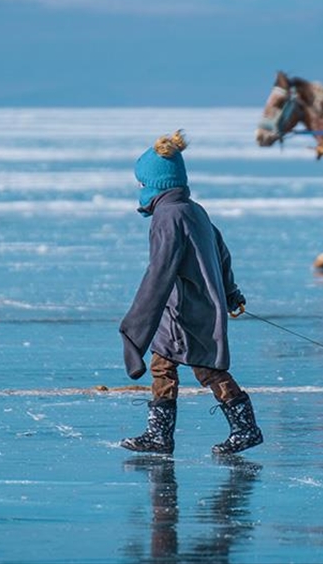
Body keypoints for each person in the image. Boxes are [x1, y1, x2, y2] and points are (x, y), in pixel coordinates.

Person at [118, 130, 263, 455]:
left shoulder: (167, 217)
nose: (141, 191)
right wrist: (230, 292)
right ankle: (235, 428)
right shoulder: (193, 209)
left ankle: (237, 428)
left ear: (157, 184)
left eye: (143, 184)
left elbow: (159, 272)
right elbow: (221, 252)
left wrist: (136, 323)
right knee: (178, 365)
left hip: (184, 308)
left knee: (187, 366)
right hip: (199, 304)